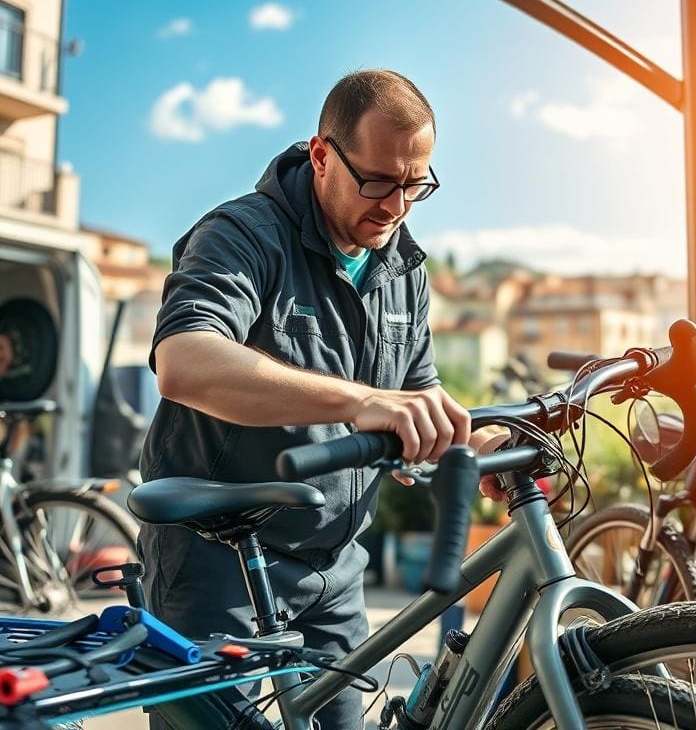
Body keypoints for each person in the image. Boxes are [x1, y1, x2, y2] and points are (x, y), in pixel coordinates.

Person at [139, 69, 504, 729]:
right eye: (378, 181)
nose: (395, 206)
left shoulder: (404, 268)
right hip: (216, 561)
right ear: (321, 155)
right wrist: (360, 401)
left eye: (414, 185)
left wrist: (475, 447)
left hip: (337, 566)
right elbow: (184, 360)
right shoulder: (243, 234)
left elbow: (417, 397)